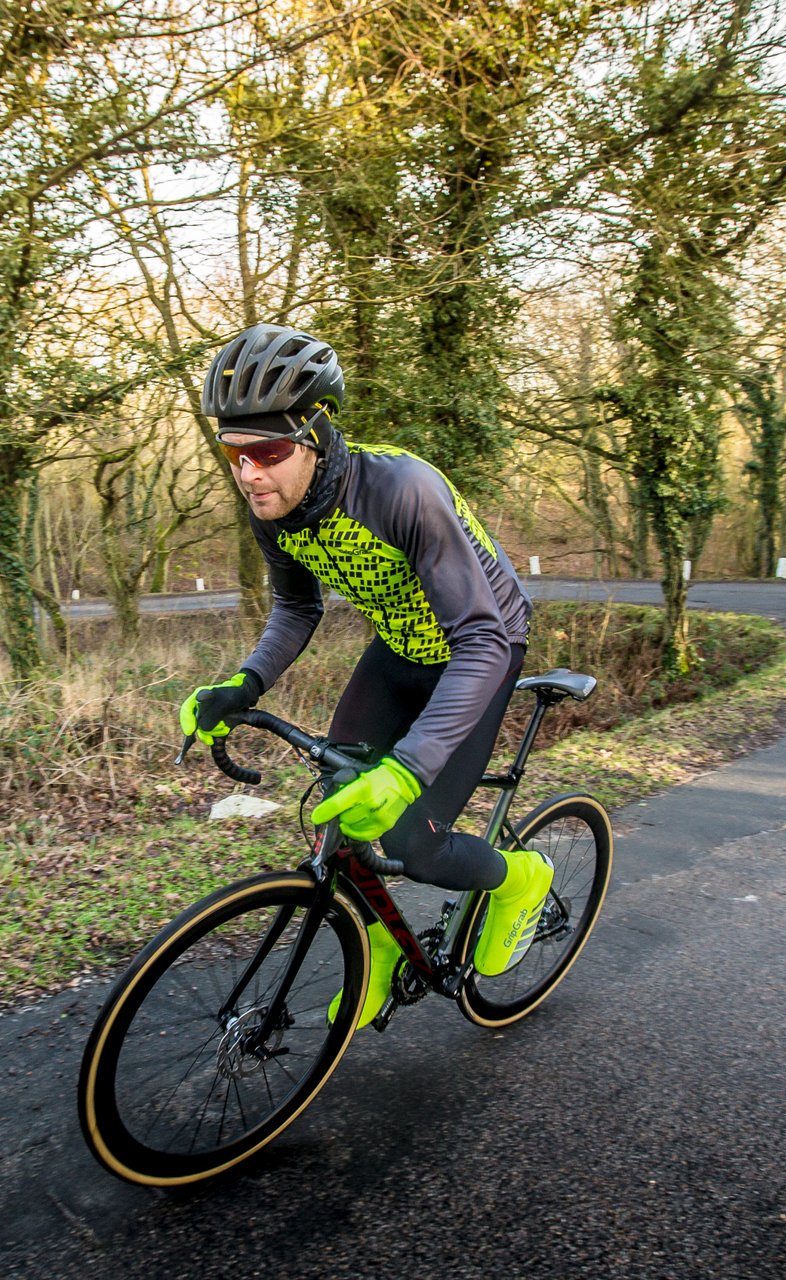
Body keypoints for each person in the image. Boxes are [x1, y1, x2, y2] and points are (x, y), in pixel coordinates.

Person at [179, 323, 551, 1029]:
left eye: (267, 451)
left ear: (316, 433)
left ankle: (520, 878)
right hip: (401, 645)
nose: (249, 473)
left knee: (414, 842)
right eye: (234, 452)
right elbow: (295, 605)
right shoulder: (273, 510)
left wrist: (409, 768)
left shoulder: (404, 490)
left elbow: (482, 639)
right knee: (339, 806)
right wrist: (246, 683)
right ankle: (378, 948)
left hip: (482, 648)